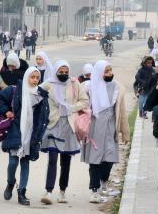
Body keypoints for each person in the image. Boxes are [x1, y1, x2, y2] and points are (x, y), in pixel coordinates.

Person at [0, 66, 49, 206]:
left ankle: (22, 192)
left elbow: (43, 116)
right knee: (13, 162)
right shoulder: (15, 90)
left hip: (31, 133)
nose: (35, 80)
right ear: (26, 77)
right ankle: (10, 183)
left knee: (25, 163)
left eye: (37, 78)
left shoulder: (40, 95)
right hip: (16, 130)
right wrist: (6, 112)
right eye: (32, 77)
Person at [40, 60, 89, 205]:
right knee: (53, 158)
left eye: (66, 72)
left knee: (66, 161)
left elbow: (84, 101)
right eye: (61, 72)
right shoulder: (48, 84)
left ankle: (62, 191)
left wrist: (71, 108)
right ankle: (48, 191)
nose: (64, 74)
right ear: (55, 71)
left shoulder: (74, 83)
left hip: (68, 125)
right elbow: (35, 94)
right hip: (53, 125)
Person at [81, 60, 129, 203]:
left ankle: (103, 182)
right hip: (94, 128)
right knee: (95, 160)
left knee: (109, 158)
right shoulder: (89, 87)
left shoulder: (117, 88)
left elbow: (122, 111)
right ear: (99, 73)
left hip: (110, 127)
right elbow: (80, 106)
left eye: (110, 70)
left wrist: (125, 132)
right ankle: (94, 190)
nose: (109, 74)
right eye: (106, 71)